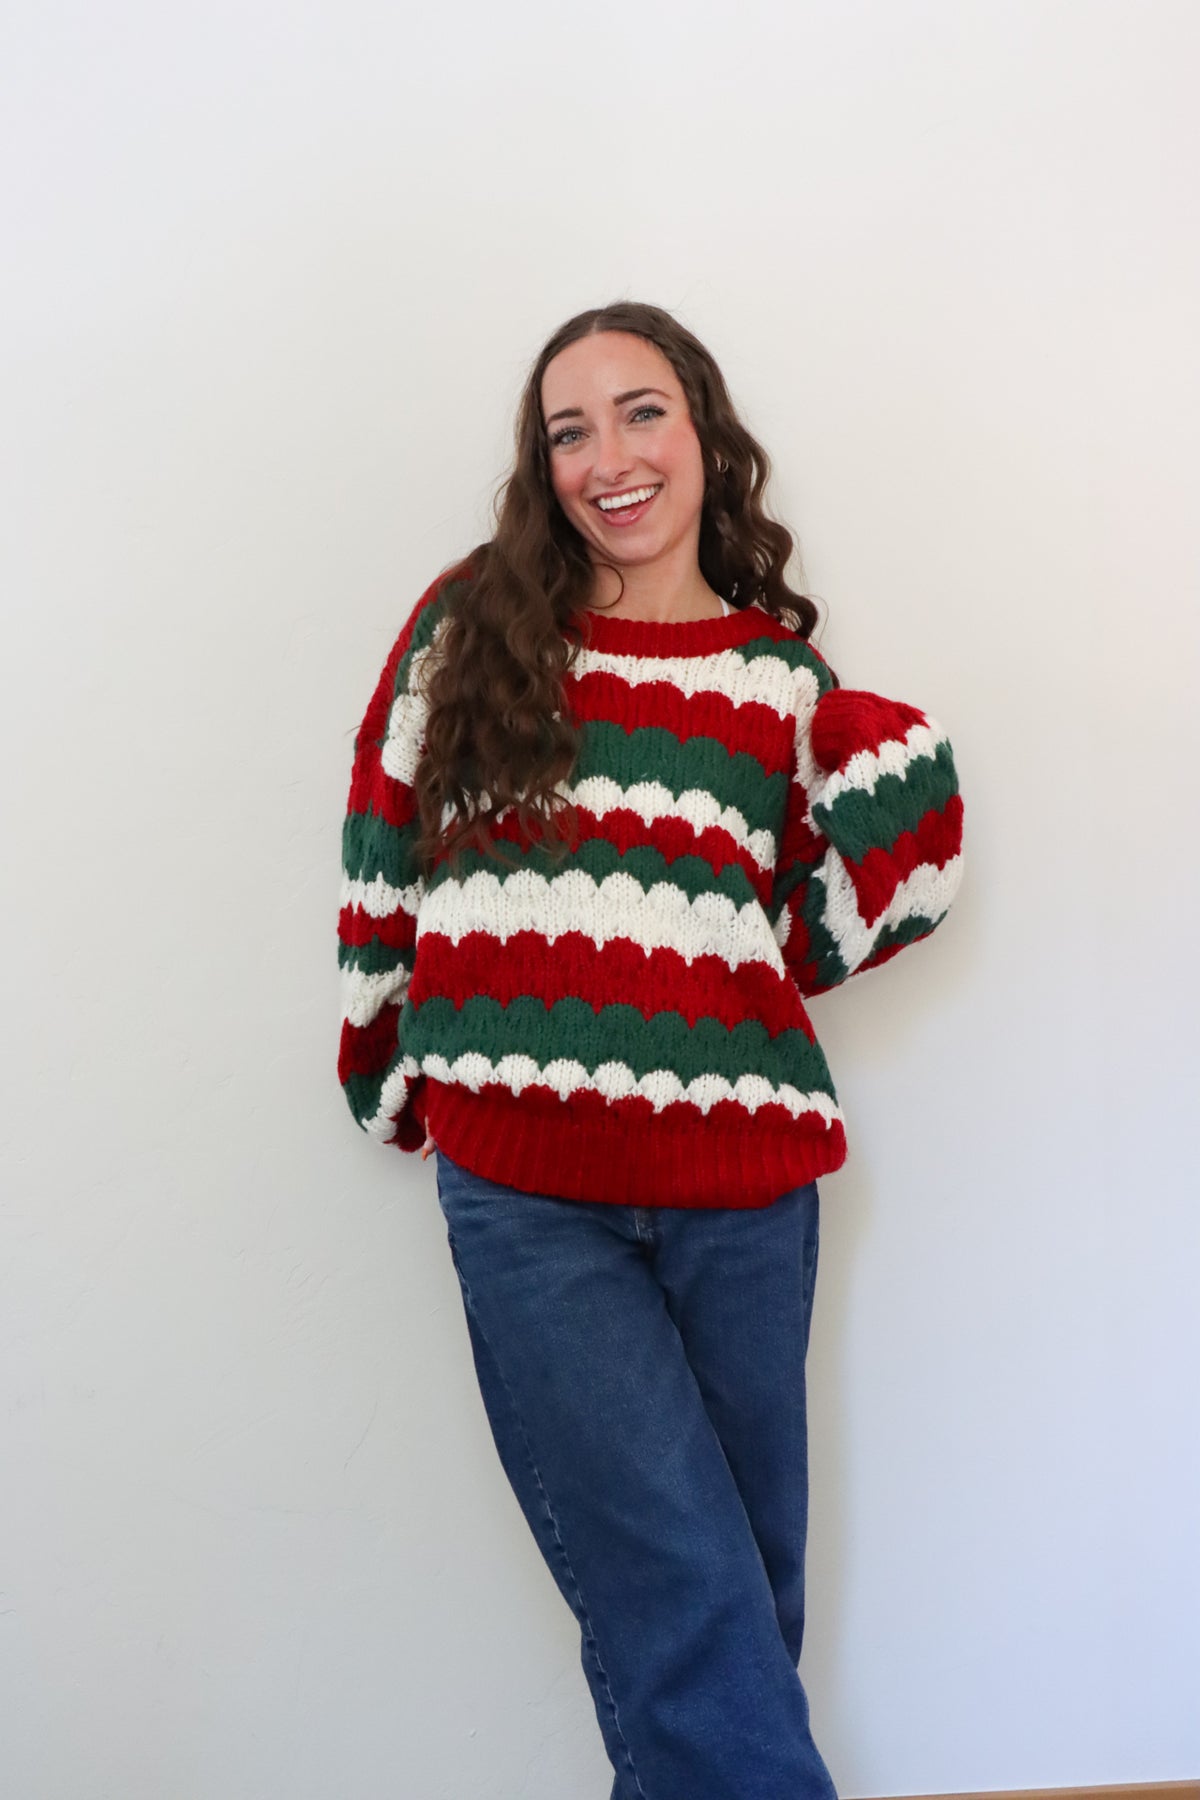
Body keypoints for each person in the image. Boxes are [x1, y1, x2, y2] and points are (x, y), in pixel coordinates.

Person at [336, 300, 965, 1799]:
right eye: (569, 431)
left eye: (641, 413)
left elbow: (798, 937)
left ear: (704, 435)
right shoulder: (471, 628)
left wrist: (901, 795)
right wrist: (385, 1060)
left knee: (739, 1605)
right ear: (541, 466)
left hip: (745, 1192)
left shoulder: (778, 683)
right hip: (529, 1193)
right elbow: (384, 843)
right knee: (689, 1611)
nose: (607, 456)